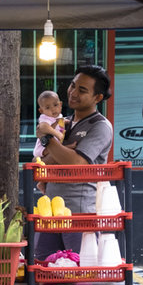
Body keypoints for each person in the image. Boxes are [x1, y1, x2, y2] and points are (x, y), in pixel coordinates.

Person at [35, 65, 114, 260]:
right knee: (44, 266)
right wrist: (58, 149)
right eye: (73, 85)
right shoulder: (64, 123)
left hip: (78, 216)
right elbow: (41, 160)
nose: (73, 92)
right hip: (51, 211)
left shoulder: (100, 126)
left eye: (82, 90)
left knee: (79, 275)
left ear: (98, 98)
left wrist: (48, 140)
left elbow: (77, 162)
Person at [33, 90, 67, 161]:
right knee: (53, 151)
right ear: (42, 111)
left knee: (60, 150)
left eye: (55, 105)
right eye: (48, 108)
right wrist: (56, 133)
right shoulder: (45, 118)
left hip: (56, 146)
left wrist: (68, 122)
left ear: (60, 105)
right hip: (44, 148)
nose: (53, 109)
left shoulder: (59, 116)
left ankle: (68, 147)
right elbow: (43, 127)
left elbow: (61, 121)